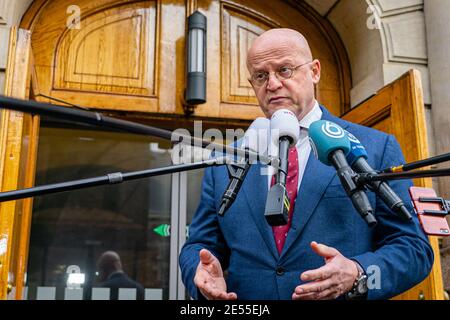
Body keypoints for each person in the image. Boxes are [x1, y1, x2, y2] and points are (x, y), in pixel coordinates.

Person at [179, 28, 434, 300]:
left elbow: (414, 249)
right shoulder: (227, 162)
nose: (273, 84)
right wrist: (200, 273)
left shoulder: (374, 148)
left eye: (285, 70)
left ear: (314, 71)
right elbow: (199, 245)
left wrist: (358, 273)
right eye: (261, 75)